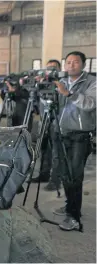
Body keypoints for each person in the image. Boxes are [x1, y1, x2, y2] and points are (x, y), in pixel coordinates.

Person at [51, 51, 96, 231]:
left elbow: (91, 103)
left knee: (75, 176)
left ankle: (74, 217)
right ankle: (71, 205)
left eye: (75, 62)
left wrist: (68, 94)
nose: (71, 65)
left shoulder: (92, 82)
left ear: (83, 65)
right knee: (64, 174)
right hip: (61, 132)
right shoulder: (61, 81)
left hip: (80, 135)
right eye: (68, 62)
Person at [31, 59, 62, 191]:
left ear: (59, 70)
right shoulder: (43, 83)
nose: (51, 71)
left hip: (57, 121)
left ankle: (55, 180)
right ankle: (43, 174)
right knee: (44, 149)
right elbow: (37, 103)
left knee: (56, 153)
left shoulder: (62, 84)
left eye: (54, 68)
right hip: (44, 120)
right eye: (48, 68)